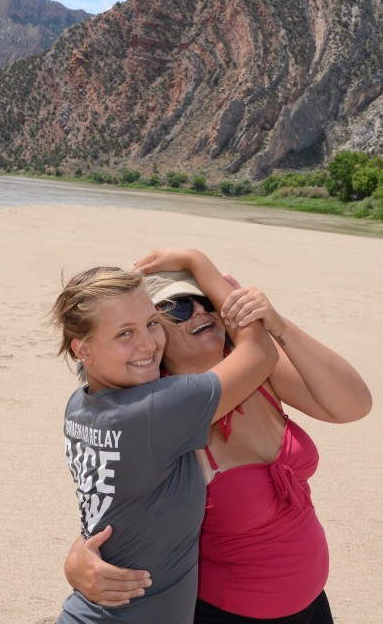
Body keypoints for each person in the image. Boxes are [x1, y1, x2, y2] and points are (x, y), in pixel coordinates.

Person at [63, 247, 372, 623]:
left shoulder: (261, 376)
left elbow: (353, 404)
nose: (199, 311)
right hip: (225, 613)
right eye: (177, 307)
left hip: (311, 607)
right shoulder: (164, 414)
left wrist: (276, 322)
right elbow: (123, 503)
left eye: (206, 300)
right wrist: (78, 557)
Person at [51, 249, 278, 624]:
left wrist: (77, 557)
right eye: (125, 333)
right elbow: (260, 353)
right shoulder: (157, 409)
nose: (148, 344)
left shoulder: (80, 406)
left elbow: (114, 506)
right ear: (82, 349)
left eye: (152, 323)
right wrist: (198, 262)